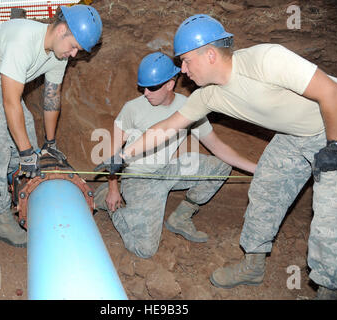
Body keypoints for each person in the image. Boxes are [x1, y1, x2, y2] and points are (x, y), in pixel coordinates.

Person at [97, 15, 337, 299]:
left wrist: (335, 144)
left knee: (334, 215)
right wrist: (122, 156)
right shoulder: (207, 97)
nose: (182, 70)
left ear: (209, 54)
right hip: (294, 134)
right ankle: (253, 266)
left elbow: (332, 92)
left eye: (186, 61)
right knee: (266, 189)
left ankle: (330, 294)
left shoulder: (266, 60)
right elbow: (166, 127)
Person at [0, 5, 102, 248]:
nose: (74, 54)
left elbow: (51, 99)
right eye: (74, 46)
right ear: (61, 30)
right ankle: (2, 217)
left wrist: (49, 143)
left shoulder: (58, 54)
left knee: (28, 141)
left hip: (1, 84)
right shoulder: (23, 39)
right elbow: (10, 101)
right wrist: (26, 153)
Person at [94, 52, 256, 258]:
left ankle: (181, 217)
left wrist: (256, 169)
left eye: (152, 87)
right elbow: (114, 152)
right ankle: (113, 208)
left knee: (220, 166)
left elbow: (218, 147)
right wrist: (113, 187)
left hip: (168, 170)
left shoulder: (189, 107)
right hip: (138, 179)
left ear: (170, 84)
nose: (145, 93)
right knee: (144, 250)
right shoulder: (132, 109)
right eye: (142, 86)